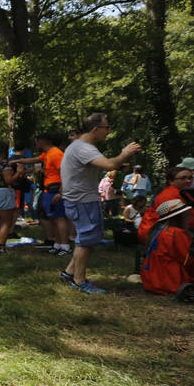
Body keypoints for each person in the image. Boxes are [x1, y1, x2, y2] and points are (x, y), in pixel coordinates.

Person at [57, 113, 141, 293]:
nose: (108, 132)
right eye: (107, 128)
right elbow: (109, 164)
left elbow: (100, 165)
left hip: (80, 199)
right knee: (85, 241)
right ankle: (79, 282)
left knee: (88, 238)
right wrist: (124, 154)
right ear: (96, 129)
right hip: (83, 201)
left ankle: (69, 272)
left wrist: (117, 165)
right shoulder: (84, 148)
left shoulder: (79, 146)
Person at [11, 134, 69, 255]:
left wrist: (61, 192)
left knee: (60, 218)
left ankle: (65, 246)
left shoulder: (55, 153)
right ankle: (57, 244)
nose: (35, 144)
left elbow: (65, 172)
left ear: (43, 141)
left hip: (55, 189)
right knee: (53, 219)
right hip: (48, 189)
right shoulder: (47, 154)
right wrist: (15, 160)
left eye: (36, 142)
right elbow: (33, 160)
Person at [141, 199, 194, 294]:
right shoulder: (176, 233)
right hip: (168, 282)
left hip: (151, 280)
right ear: (178, 218)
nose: (190, 218)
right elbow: (189, 260)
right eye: (187, 215)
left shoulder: (159, 230)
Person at [137, 165, 194, 243]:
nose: (188, 181)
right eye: (183, 178)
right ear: (170, 181)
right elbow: (183, 221)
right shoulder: (169, 196)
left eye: (190, 178)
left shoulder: (183, 191)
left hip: (170, 229)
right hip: (156, 233)